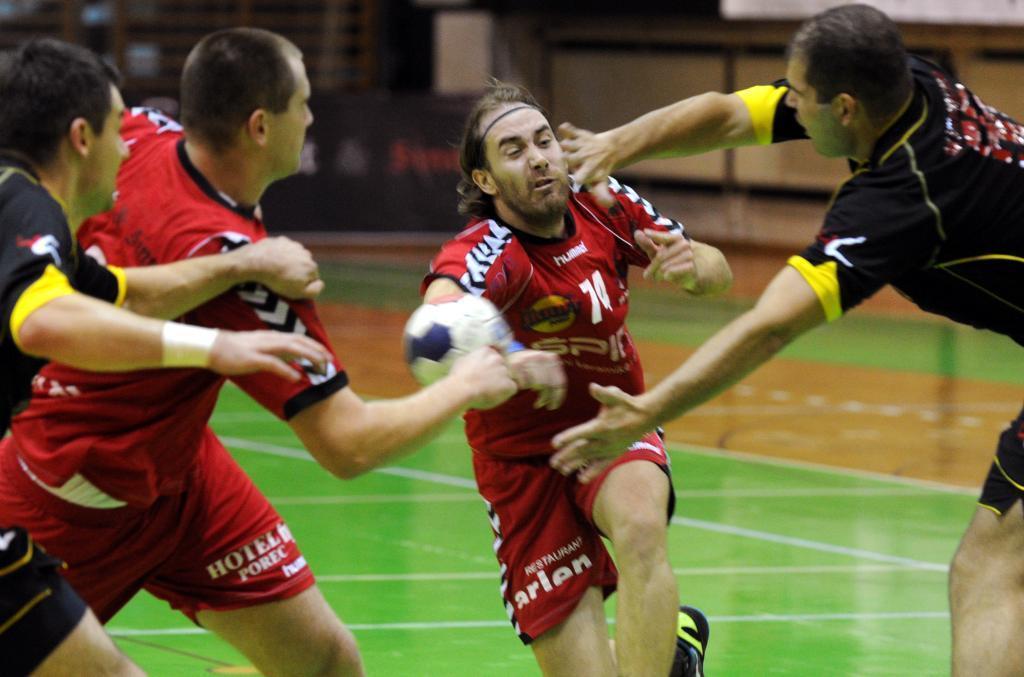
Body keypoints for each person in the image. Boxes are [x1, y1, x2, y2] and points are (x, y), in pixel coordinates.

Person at [0, 29, 522, 677]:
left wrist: (239, 264)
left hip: (185, 477)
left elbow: (116, 291)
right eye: (302, 103)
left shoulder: (137, 135)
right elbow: (348, 442)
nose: (311, 118)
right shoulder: (233, 271)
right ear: (260, 126)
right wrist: (465, 384)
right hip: (69, 491)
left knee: (328, 661)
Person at [549, 4, 1024, 675]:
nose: (790, 105)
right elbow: (728, 115)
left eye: (799, 95)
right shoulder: (906, 82)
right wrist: (614, 146)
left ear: (846, 108)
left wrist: (649, 411)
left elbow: (769, 326)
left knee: (992, 568)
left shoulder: (905, 195)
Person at [0, 38, 333, 676]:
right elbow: (45, 320)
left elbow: (123, 294)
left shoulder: (32, 215)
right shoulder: (27, 209)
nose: (129, 148)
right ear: (80, 139)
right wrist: (216, 346)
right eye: (115, 128)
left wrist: (241, 263)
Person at [421, 80, 731, 677]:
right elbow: (436, 322)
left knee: (640, 526)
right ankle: (675, 654)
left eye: (544, 141)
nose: (538, 158)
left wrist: (694, 267)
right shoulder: (488, 249)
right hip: (520, 465)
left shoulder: (602, 204)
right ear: (485, 180)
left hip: (613, 422)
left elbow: (718, 271)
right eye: (514, 150)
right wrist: (503, 357)